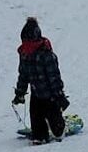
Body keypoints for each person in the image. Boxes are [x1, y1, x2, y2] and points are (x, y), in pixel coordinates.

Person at [12, 17, 70, 145]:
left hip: (50, 95)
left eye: (29, 43)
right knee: (37, 123)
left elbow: (54, 77)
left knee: (57, 129)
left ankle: (59, 127)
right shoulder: (24, 54)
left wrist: (59, 95)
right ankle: (40, 135)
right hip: (36, 95)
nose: (26, 46)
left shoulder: (46, 55)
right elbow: (23, 75)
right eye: (24, 42)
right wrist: (20, 93)